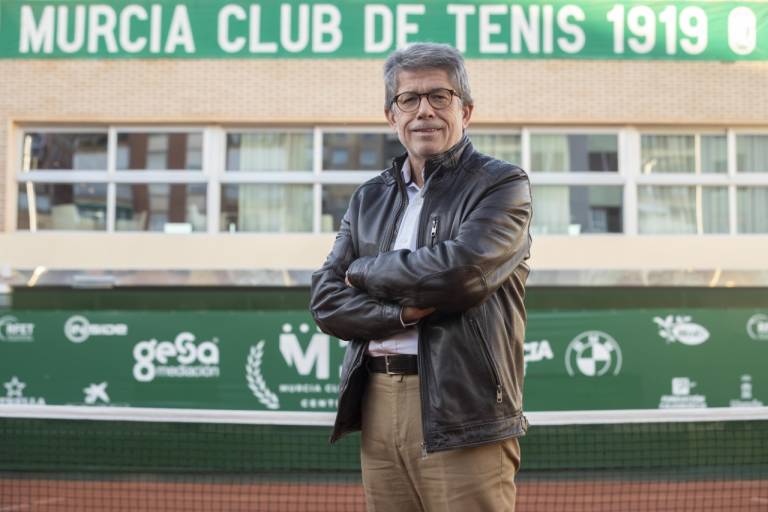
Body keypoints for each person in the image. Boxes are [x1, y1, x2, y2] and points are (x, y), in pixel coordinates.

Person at [310, 42, 532, 511]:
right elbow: (326, 301)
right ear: (392, 116)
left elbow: (461, 273)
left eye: (440, 96)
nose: (423, 111)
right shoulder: (367, 198)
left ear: (465, 111)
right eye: (408, 99)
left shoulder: (502, 185)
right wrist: (401, 313)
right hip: (377, 403)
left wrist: (364, 270)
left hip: (462, 412)